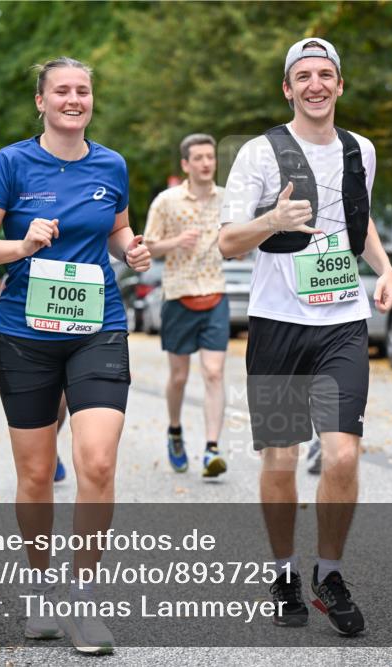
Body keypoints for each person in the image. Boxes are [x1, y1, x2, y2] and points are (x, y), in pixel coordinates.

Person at [0, 56, 150, 655]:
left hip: (98, 327)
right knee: (37, 474)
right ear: (40, 101)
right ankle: (41, 587)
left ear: (93, 99)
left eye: (83, 90)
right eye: (61, 90)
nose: (74, 99)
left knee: (96, 462)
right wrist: (21, 242)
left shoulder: (111, 164)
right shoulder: (10, 164)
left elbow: (116, 231)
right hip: (26, 334)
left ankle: (83, 600)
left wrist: (132, 250)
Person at [218, 37, 392, 636]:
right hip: (276, 324)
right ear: (288, 88)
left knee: (343, 452)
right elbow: (227, 240)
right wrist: (272, 219)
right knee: (281, 457)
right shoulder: (260, 153)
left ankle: (331, 572)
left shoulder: (360, 150)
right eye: (304, 76)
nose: (316, 84)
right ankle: (284, 570)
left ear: (340, 85)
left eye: (326, 74)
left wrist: (384, 265)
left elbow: (356, 215)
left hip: (342, 322)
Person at [143, 133, 229, 478]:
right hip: (178, 295)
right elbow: (147, 247)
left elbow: (239, 239)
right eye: (199, 158)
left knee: (214, 372)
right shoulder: (166, 201)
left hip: (215, 293)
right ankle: (175, 431)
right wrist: (176, 241)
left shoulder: (228, 200)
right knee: (179, 377)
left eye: (211, 157)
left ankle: (211, 449)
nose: (206, 163)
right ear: (186, 164)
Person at [0, 262, 68, 484]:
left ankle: (50, 447)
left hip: (70, 329)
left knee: (61, 402)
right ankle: (46, 453)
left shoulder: (81, 229)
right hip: (25, 332)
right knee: (38, 407)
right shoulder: (11, 230)